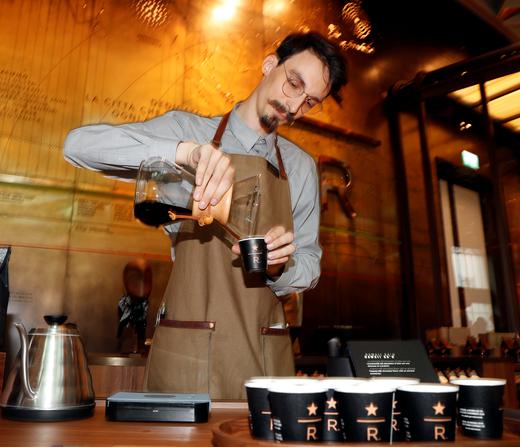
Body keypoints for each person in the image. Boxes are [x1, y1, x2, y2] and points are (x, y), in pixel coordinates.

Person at [64, 32, 348, 399]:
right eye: (293, 83)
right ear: (269, 65)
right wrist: (181, 153)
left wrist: (280, 267)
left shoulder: (300, 167)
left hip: (265, 356)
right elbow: (79, 147)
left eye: (309, 101)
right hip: (189, 349)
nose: (294, 106)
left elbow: (309, 262)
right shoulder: (189, 131)